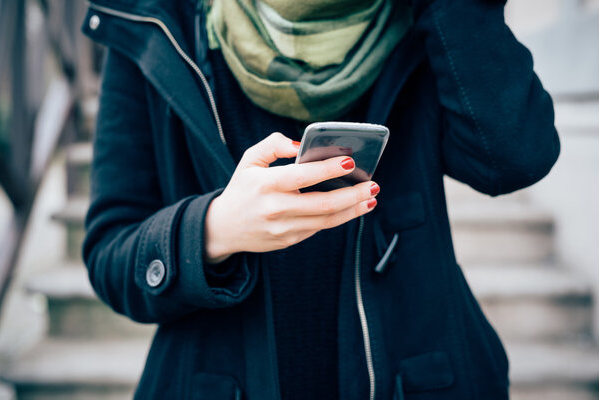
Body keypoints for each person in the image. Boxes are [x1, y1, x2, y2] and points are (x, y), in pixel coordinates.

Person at [81, 0, 560, 399]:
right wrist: (213, 229)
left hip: (417, 375)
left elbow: (515, 158)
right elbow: (110, 253)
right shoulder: (155, 16)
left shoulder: (420, 15)